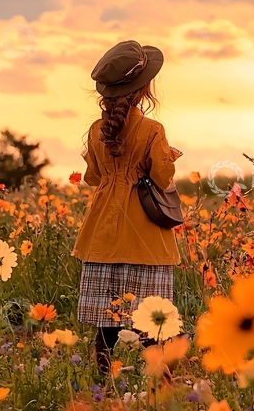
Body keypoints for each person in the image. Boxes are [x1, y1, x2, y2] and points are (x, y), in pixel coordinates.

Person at [72, 40, 181, 375]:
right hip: (144, 240)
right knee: (153, 324)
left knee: (106, 326)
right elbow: (162, 178)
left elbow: (93, 177)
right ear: (144, 90)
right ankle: (162, 385)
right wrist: (169, 155)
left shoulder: (95, 131)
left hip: (102, 238)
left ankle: (102, 383)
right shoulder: (152, 130)